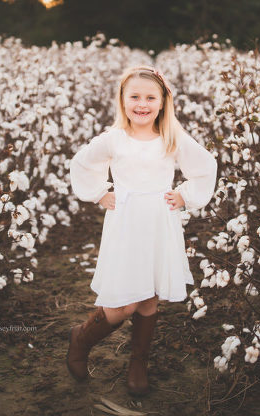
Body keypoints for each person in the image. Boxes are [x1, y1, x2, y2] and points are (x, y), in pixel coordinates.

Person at [65, 65, 218, 396]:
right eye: (134, 96)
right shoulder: (114, 139)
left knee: (149, 297)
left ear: (163, 102)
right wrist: (99, 193)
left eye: (150, 97)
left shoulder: (171, 137)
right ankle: (81, 338)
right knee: (123, 304)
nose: (142, 104)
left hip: (159, 221)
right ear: (122, 100)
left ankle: (138, 362)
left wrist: (184, 195)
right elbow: (82, 162)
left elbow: (205, 167)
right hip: (126, 222)